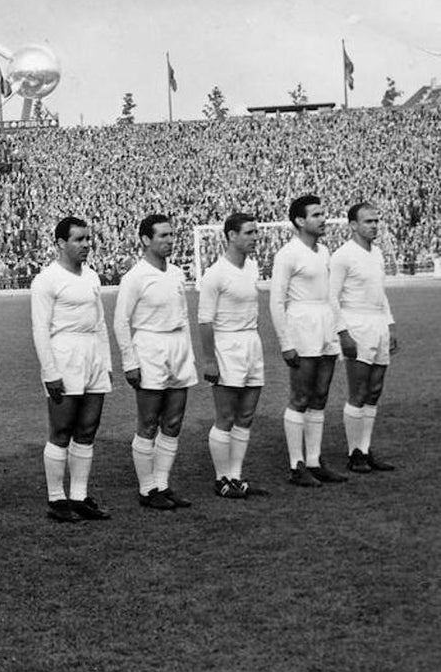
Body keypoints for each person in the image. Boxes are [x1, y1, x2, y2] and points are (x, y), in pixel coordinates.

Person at [29, 216, 112, 523]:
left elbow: (100, 322)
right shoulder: (47, 279)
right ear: (61, 243)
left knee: (87, 429)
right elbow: (40, 328)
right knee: (62, 430)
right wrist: (49, 371)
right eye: (78, 239)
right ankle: (56, 499)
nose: (86, 245)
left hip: (92, 355)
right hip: (64, 355)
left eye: (88, 239)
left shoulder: (91, 276)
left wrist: (107, 362)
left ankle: (79, 496)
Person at [112, 214, 198, 511]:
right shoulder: (135, 277)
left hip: (177, 347)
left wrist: (189, 354)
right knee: (149, 422)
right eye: (162, 236)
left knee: (173, 421)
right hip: (149, 346)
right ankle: (147, 489)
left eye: (172, 235)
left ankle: (162, 484)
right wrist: (129, 361)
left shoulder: (176, 273)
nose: (169, 240)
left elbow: (184, 316)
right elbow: (121, 321)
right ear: (146, 240)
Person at [269, 195, 349, 487]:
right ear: (300, 221)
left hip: (325, 325)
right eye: (316, 214)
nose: (322, 219)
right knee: (300, 397)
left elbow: (331, 295)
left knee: (320, 397)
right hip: (301, 327)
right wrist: (285, 342)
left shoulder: (324, 251)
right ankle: (296, 465)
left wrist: (340, 329)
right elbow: (276, 301)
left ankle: (314, 461)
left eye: (323, 213)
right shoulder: (287, 254)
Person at [197, 213, 269, 499]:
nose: (254, 238)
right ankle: (221, 479)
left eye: (255, 232)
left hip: (252, 344)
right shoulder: (215, 274)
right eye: (249, 233)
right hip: (226, 347)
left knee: (246, 415)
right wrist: (210, 359)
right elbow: (205, 320)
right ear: (231, 236)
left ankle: (236, 476)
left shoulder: (252, 267)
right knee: (225, 416)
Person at [330, 202, 398, 473]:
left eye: (376, 221)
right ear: (353, 225)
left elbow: (380, 294)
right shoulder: (342, 256)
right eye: (368, 221)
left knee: (374, 391)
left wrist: (390, 325)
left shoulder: (378, 253)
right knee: (358, 391)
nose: (374, 226)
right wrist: (343, 332)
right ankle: (354, 452)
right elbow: (331, 297)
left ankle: (366, 449)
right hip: (355, 323)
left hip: (378, 323)